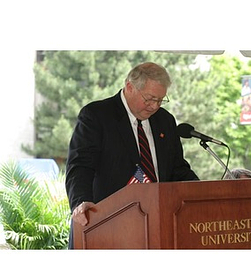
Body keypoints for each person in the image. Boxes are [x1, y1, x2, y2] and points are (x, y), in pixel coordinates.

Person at [65, 62, 199, 246]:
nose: (154, 106)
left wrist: (201, 195)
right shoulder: (97, 115)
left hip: (156, 226)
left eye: (160, 100)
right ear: (130, 87)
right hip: (106, 224)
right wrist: (81, 201)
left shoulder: (165, 121)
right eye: (149, 99)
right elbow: (80, 166)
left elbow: (177, 169)